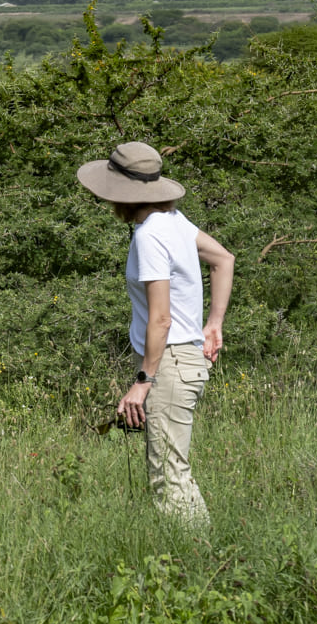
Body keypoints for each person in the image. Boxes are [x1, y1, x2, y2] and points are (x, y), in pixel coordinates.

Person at [77, 141, 233, 523]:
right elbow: (223, 259)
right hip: (184, 359)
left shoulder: (149, 235)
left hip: (169, 364)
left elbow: (160, 318)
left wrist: (143, 380)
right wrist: (214, 323)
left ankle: (192, 566)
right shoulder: (173, 220)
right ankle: (204, 558)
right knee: (173, 469)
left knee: (168, 476)